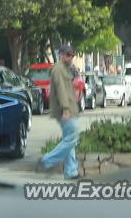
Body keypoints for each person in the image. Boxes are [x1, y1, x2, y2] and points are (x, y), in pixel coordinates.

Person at [36, 44, 80, 179]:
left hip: (69, 109)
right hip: (64, 111)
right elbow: (61, 90)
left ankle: (71, 171)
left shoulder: (66, 69)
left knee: (69, 140)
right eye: (68, 55)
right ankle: (46, 161)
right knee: (73, 137)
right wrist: (66, 109)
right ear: (61, 55)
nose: (70, 58)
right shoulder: (58, 70)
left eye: (71, 55)